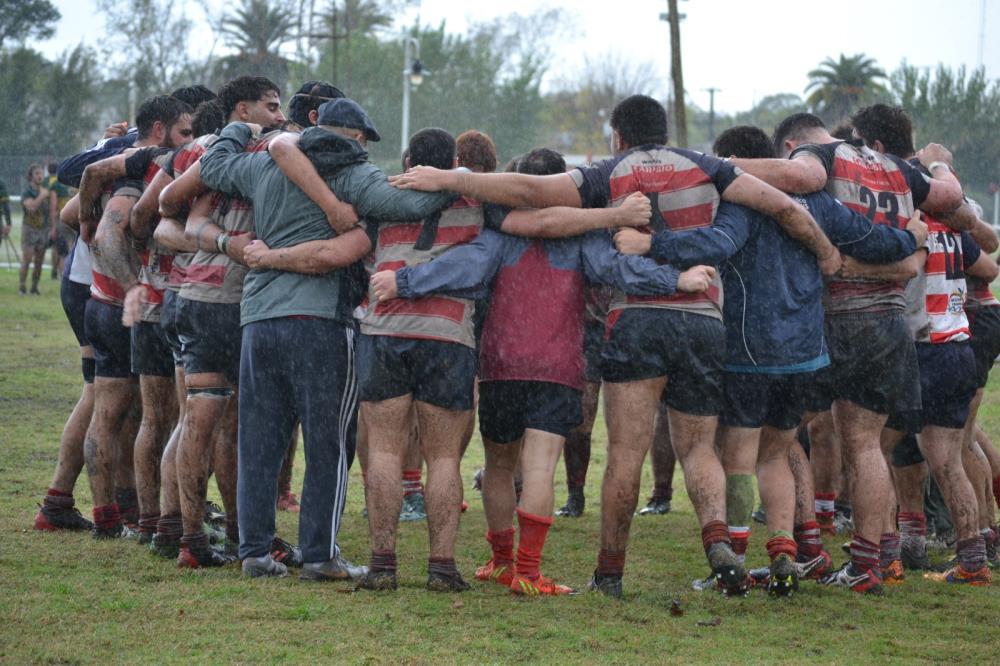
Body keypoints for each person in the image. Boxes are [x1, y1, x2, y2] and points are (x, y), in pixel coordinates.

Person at [388, 94, 838, 598]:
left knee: (621, 452)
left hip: (623, 325)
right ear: (664, 132)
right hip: (699, 321)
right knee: (696, 448)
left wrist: (451, 179)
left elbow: (530, 192)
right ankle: (717, 541)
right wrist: (826, 253)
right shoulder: (708, 168)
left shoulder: (606, 173)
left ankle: (608, 573)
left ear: (618, 136)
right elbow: (783, 207)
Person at [369, 147, 715, 596]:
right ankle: (528, 573)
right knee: (538, 471)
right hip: (557, 367)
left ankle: (500, 561)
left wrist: (405, 282)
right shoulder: (583, 239)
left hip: (502, 365)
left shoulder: (498, 234)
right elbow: (621, 269)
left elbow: (462, 267)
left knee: (498, 468)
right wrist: (676, 280)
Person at [616, 124, 924, 594]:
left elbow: (714, 244)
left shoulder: (740, 203)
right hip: (803, 354)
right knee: (777, 453)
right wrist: (910, 238)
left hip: (749, 350)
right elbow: (869, 239)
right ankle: (783, 556)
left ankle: (736, 563)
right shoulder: (820, 204)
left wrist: (651, 244)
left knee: (739, 457)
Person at [196, 98, 455, 581]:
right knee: (328, 443)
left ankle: (254, 552)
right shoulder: (353, 174)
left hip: (258, 319)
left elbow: (213, 166)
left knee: (259, 442)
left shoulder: (263, 166)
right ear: (355, 139)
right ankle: (319, 555)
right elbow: (411, 205)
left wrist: (240, 128)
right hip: (321, 322)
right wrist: (458, 180)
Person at [728, 111, 965, 593]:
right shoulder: (894, 167)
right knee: (864, 444)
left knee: (782, 436)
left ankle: (809, 549)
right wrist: (938, 162)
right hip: (890, 321)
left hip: (837, 317)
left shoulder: (817, 156)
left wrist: (723, 167)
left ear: (791, 145)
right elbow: (949, 198)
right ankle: (865, 563)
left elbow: (803, 178)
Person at [157, 76, 288, 568]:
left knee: (198, 418)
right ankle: (239, 534)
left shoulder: (205, 151)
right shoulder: (273, 150)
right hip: (234, 300)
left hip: (194, 295)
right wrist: (229, 244)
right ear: (243, 109)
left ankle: (191, 539)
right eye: (271, 106)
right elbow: (164, 209)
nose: (279, 116)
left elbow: (168, 207)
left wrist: (209, 239)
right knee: (230, 426)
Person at [73, 95, 193, 538]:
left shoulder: (119, 162)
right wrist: (133, 286)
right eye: (185, 132)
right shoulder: (142, 168)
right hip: (121, 306)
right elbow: (107, 236)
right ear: (160, 130)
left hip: (103, 300)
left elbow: (76, 210)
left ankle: (123, 513)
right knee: (132, 416)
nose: (190, 141)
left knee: (126, 414)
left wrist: (86, 217)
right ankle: (139, 516)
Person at [33, 195, 96, 532]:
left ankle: (60, 501)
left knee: (109, 395)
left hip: (85, 285)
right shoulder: (123, 164)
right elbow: (70, 212)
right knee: (102, 394)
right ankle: (126, 510)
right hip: (92, 288)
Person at [20, 164, 50, 295]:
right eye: (37, 173)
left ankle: (34, 287)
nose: (40, 176)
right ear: (31, 176)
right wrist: (41, 196)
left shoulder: (46, 190)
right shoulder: (27, 192)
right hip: (29, 229)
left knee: (39, 261)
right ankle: (22, 287)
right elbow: (31, 208)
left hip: (43, 229)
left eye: (41, 173)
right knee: (27, 259)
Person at [47, 162, 75, 279]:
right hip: (75, 220)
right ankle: (67, 274)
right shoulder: (76, 182)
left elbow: (53, 207)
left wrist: (53, 227)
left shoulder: (56, 185)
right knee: (72, 248)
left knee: (61, 250)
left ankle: (60, 274)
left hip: (62, 220)